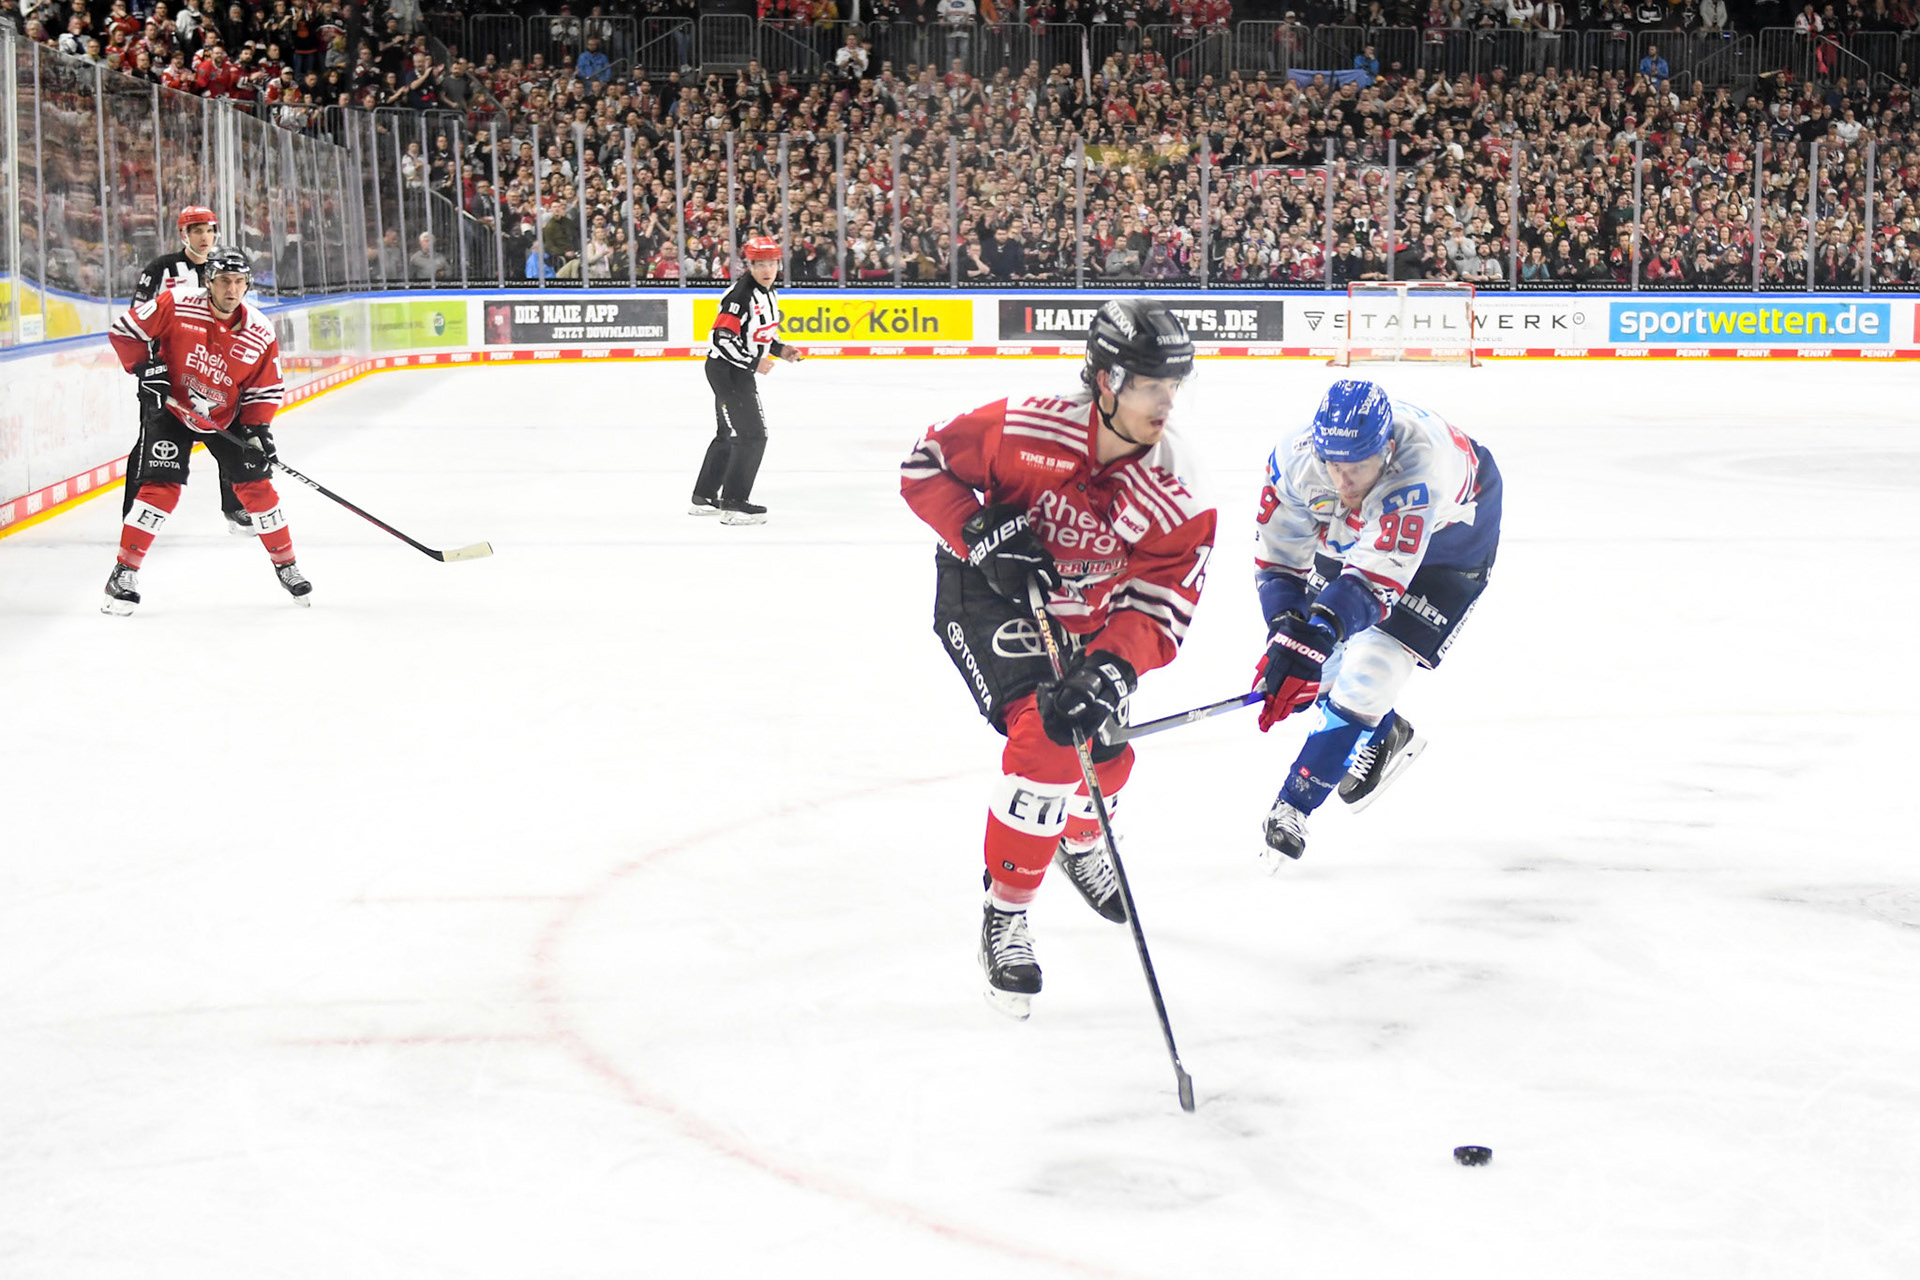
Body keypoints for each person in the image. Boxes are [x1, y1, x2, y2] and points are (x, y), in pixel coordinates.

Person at [899, 300, 1216, 1019]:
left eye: (1174, 387)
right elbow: (923, 468)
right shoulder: (1023, 425)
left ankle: (1077, 839)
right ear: (1105, 382)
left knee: (1107, 760)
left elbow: (1163, 600)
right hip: (987, 596)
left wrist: (1111, 666)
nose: (1167, 403)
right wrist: (976, 527)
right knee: (1048, 739)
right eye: (1149, 387)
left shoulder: (1178, 483)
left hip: (1093, 617)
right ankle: (1006, 910)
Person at [1251, 380, 1502, 864]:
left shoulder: (1417, 466)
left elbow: (1374, 583)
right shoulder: (1295, 461)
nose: (1342, 482)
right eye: (1334, 465)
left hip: (1454, 541)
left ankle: (1293, 806)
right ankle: (1381, 732)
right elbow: (1278, 561)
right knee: (1321, 671)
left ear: (1386, 449)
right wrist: (1285, 626)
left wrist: (1317, 633)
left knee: (1371, 671)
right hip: (1372, 525)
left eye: (1357, 466)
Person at [102, 246, 310, 615]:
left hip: (224, 417)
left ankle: (287, 565)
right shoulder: (176, 303)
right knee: (160, 489)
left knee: (257, 487)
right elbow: (125, 331)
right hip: (171, 409)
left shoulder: (260, 330)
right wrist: (146, 368)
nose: (232, 289)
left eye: (240, 282)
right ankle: (123, 573)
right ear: (208, 281)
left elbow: (265, 388)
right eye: (224, 281)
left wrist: (258, 428)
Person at [122, 205, 253, 537]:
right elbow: (138, 318)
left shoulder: (224, 269)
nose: (205, 237)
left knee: (230, 438)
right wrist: (150, 367)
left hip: (213, 375)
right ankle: (133, 511)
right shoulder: (161, 269)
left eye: (209, 230)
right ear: (183, 234)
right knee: (151, 441)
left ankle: (235, 506)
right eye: (197, 231)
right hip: (166, 376)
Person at [691, 235, 807, 525]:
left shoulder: (769, 292)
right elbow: (723, 337)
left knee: (729, 433)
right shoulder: (740, 295)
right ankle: (734, 504)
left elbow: (759, 334)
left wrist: (781, 350)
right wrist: (753, 362)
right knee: (753, 435)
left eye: (772, 263)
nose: (767, 270)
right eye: (760, 264)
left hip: (731, 369)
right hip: (727, 371)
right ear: (750, 266)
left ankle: (704, 497)